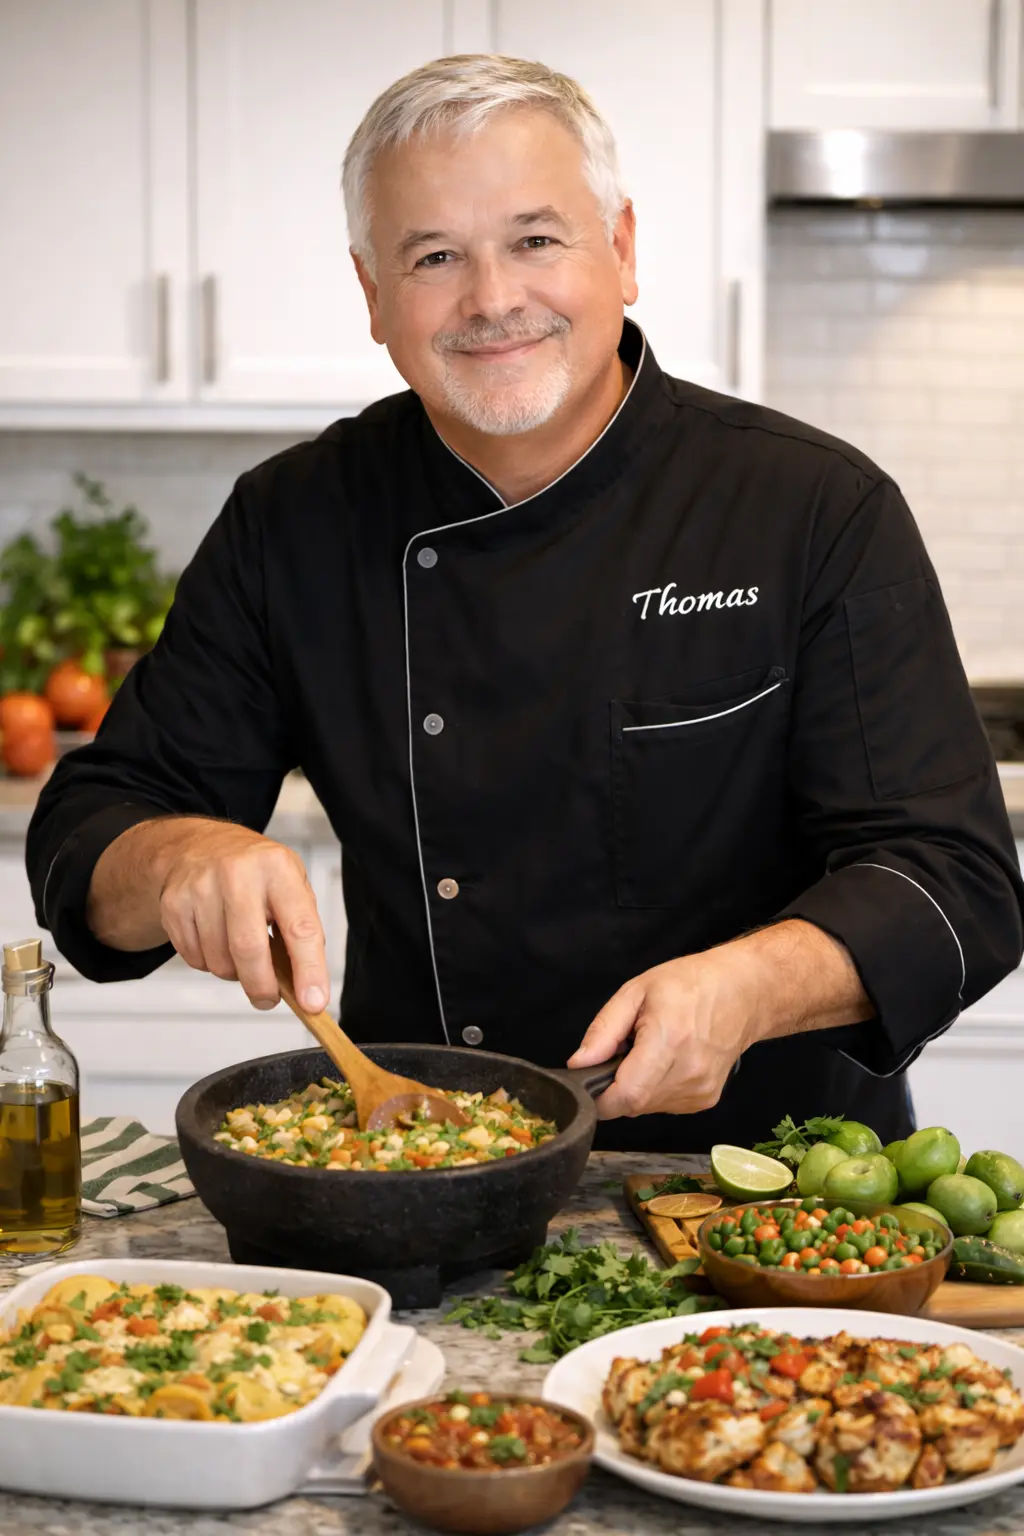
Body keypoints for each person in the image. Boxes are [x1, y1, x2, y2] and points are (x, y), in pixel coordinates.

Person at [27, 55, 1024, 1152]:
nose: (491, 298)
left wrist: (750, 986)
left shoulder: (812, 508)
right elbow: (92, 829)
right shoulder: (292, 523)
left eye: (535, 239)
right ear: (372, 295)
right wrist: (178, 862)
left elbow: (957, 881)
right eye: (434, 256)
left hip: (763, 1200)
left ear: (624, 250)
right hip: (412, 1178)